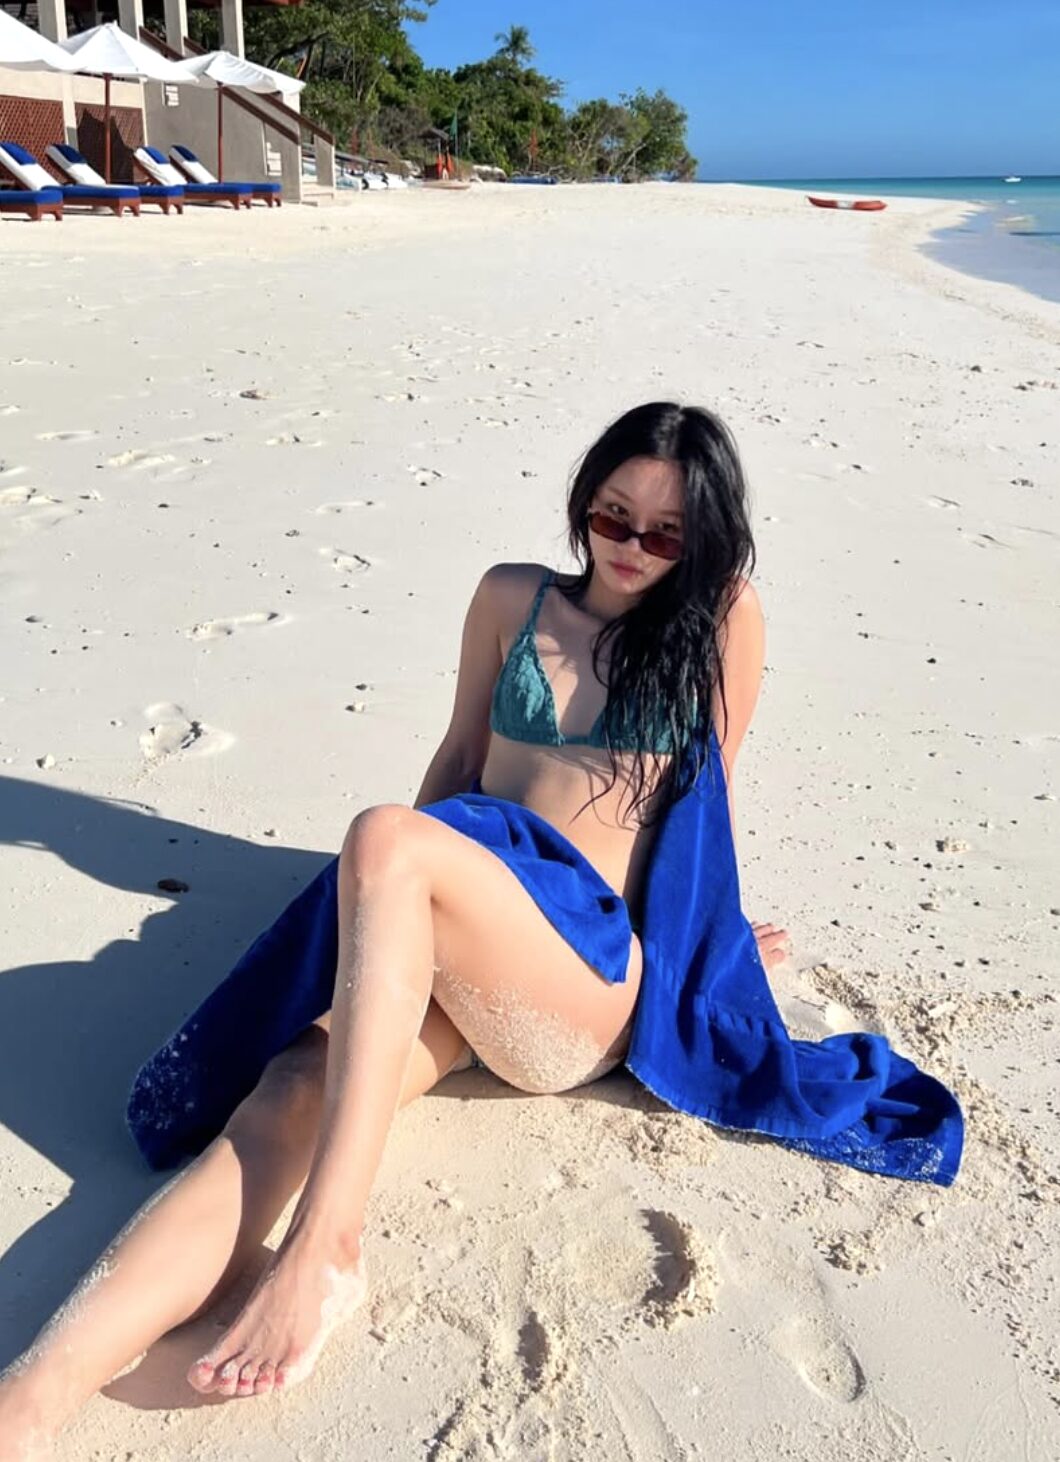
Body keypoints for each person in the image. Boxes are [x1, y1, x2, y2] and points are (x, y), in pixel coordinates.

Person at [1, 396, 902, 1457]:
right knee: (290, 1089)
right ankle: (34, 1394)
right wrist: (388, 923)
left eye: (667, 535)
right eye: (613, 516)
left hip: (581, 980)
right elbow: (459, 762)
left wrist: (724, 938)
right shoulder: (510, 598)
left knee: (384, 836)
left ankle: (326, 1247)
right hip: (457, 940)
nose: (631, 547)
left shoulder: (719, 622)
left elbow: (711, 801)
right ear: (584, 499)